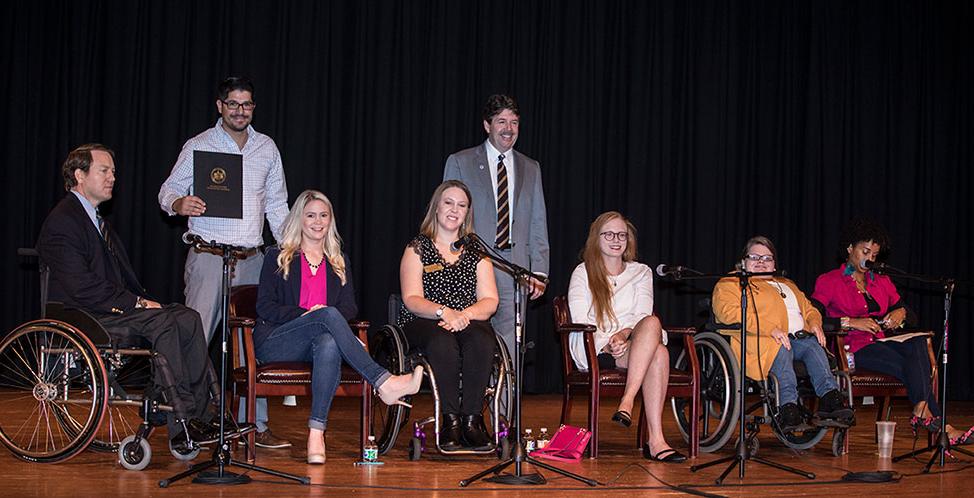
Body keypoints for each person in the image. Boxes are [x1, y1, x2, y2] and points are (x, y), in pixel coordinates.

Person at [37, 144, 226, 453]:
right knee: (164, 322)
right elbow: (82, 287)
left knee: (187, 316)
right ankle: (182, 421)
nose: (113, 177)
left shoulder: (95, 221)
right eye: (104, 170)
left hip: (107, 307)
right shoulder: (63, 222)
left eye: (113, 171)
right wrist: (137, 303)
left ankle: (203, 414)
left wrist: (142, 301)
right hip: (83, 312)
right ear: (79, 175)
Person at [158, 76, 290, 448]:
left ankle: (255, 425)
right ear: (220, 106)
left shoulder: (266, 148)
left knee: (255, 343)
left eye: (246, 104)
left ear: (253, 108)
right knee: (193, 338)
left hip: (251, 258)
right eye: (233, 104)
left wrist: (287, 248)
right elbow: (167, 190)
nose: (240, 111)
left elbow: (278, 204)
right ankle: (189, 423)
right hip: (207, 255)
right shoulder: (199, 145)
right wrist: (178, 203)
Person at [254, 190, 423, 463]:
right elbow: (265, 307)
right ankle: (384, 381)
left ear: (330, 220)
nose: (317, 221)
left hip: (319, 343)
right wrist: (311, 314)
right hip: (277, 341)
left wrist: (325, 318)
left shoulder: (338, 260)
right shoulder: (277, 255)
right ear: (299, 219)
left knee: (329, 342)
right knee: (328, 316)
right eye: (310, 215)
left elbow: (349, 308)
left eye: (324, 215)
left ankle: (316, 434)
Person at [811, 218, 973, 445]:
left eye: (874, 255)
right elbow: (812, 319)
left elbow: (910, 315)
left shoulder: (881, 281)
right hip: (851, 349)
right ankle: (940, 425)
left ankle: (924, 411)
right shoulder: (829, 281)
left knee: (916, 343)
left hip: (880, 344)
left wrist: (900, 314)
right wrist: (850, 322)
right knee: (915, 367)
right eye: (865, 251)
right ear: (850, 248)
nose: (869, 259)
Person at [567, 212, 686, 463]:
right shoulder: (583, 272)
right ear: (596, 238)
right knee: (660, 352)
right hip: (597, 349)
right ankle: (655, 441)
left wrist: (623, 334)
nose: (616, 239)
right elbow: (581, 319)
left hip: (633, 343)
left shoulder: (641, 272)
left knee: (652, 323)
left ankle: (628, 402)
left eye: (621, 234)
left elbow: (642, 314)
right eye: (608, 234)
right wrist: (609, 344)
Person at [443, 94, 549, 362]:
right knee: (469, 342)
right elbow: (447, 218)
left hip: (515, 269)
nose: (509, 129)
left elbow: (538, 220)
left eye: (514, 122)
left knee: (509, 350)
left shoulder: (531, 168)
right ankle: (467, 403)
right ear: (487, 125)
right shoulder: (460, 162)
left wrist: (538, 270)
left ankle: (506, 405)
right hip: (471, 265)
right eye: (502, 121)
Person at [711, 236, 853, 432]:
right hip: (759, 340)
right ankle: (788, 408)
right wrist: (770, 328)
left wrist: (814, 324)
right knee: (781, 346)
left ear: (774, 264)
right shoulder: (731, 283)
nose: (761, 262)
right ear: (743, 261)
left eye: (767, 258)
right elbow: (728, 313)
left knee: (812, 345)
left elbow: (810, 309)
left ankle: (830, 399)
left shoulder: (787, 284)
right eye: (755, 257)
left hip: (796, 339)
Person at [397, 180, 500, 450]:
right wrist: (445, 312)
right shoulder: (417, 247)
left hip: (467, 317)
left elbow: (490, 300)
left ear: (467, 212)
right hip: (426, 318)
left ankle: (473, 421)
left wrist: (462, 315)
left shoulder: (477, 252)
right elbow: (411, 299)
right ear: (436, 207)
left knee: (482, 340)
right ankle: (450, 422)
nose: (454, 209)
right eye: (448, 202)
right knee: (442, 342)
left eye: (462, 205)